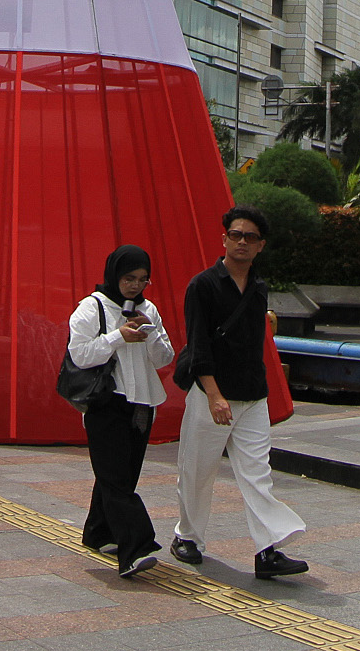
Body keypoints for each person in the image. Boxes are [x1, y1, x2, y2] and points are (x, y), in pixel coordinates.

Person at [170, 205, 309, 580]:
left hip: (252, 396)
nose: (241, 242)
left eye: (250, 237)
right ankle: (188, 537)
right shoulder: (202, 286)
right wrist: (214, 396)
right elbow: (199, 346)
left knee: (256, 474)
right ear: (224, 239)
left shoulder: (259, 288)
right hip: (210, 394)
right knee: (197, 470)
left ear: (261, 245)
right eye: (236, 235)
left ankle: (267, 551)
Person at [67, 245, 175, 578]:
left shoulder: (149, 310)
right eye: (129, 278)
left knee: (122, 476)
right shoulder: (92, 307)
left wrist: (150, 331)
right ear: (115, 274)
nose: (135, 286)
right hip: (106, 402)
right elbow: (80, 355)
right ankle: (136, 548)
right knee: (116, 480)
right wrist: (117, 337)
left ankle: (98, 532)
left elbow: (165, 358)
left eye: (143, 279)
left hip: (141, 404)